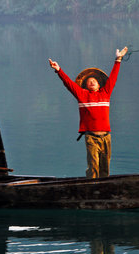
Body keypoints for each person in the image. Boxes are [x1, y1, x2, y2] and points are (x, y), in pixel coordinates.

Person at [48, 47, 128, 179]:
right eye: (89, 81)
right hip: (91, 137)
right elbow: (68, 83)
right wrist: (58, 70)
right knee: (93, 166)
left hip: (106, 136)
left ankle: (103, 189)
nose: (91, 82)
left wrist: (118, 59)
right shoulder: (82, 95)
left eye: (94, 81)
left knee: (105, 167)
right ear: (85, 85)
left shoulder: (105, 93)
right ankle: (91, 187)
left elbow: (113, 78)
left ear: (99, 84)